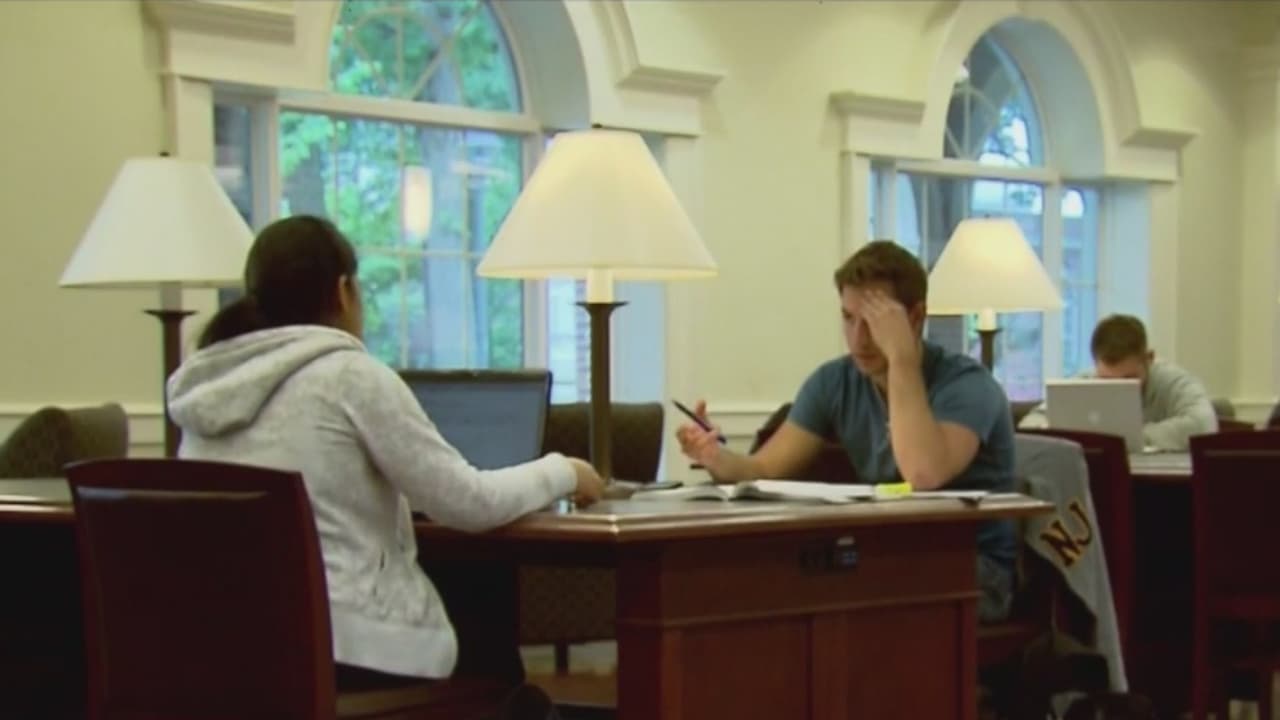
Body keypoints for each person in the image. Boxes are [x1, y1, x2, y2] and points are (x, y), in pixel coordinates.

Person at [167, 215, 604, 704]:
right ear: (343, 291)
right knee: (488, 616)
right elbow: (469, 503)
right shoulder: (349, 376)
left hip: (228, 649)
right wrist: (564, 470)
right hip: (346, 650)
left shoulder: (205, 391)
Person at [677, 240, 1017, 623]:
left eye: (874, 322)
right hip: (886, 556)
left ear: (916, 317)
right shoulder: (835, 381)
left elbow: (923, 473)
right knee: (768, 583)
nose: (858, 339)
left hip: (974, 568)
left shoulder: (968, 385)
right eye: (848, 318)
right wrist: (714, 456)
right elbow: (763, 470)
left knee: (844, 596)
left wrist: (901, 359)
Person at [1018, 314, 1216, 451]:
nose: (1119, 388)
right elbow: (1030, 424)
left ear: (1149, 359)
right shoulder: (1086, 383)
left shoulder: (1174, 382)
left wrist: (1128, 438)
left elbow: (1203, 424)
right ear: (1096, 365)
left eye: (1129, 379)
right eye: (1107, 381)